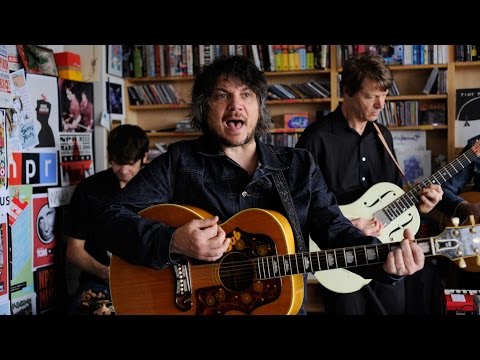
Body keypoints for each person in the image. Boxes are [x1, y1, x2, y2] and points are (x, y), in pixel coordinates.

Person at [94, 55, 425, 315]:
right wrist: (173, 241)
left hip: (282, 308)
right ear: (204, 107)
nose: (235, 104)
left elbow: (337, 232)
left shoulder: (299, 166)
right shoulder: (179, 162)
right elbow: (108, 218)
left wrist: (386, 261)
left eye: (247, 94)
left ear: (259, 107)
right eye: (222, 95)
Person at [296, 52, 444, 315]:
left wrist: (420, 205)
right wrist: (343, 225)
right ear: (348, 92)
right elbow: (299, 205)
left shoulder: (383, 135)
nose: (381, 104)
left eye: (384, 95)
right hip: (341, 258)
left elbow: (395, 194)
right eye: (370, 96)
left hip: (386, 252)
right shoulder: (316, 138)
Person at [65, 124, 149, 315]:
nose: (124, 170)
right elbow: (74, 251)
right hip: (99, 281)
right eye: (118, 162)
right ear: (109, 156)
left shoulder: (159, 190)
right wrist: (105, 272)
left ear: (144, 156)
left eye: (130, 163)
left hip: (149, 281)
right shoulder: (89, 190)